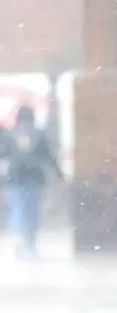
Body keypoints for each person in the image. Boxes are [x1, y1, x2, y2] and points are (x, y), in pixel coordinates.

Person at [2, 105, 60, 258]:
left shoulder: (10, 134)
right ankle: (30, 242)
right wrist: (58, 173)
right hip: (34, 177)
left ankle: (19, 238)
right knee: (32, 211)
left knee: (18, 208)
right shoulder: (38, 134)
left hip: (16, 177)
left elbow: (3, 153)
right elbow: (48, 156)